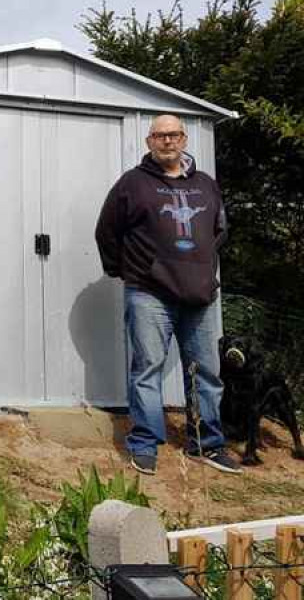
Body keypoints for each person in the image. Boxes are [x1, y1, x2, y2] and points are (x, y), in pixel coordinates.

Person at [95, 114, 240, 475]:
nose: (167, 141)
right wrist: (126, 270)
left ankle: (206, 444)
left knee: (206, 372)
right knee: (147, 370)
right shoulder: (132, 184)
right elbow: (106, 231)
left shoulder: (206, 185)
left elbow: (220, 229)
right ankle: (144, 444)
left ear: (184, 139)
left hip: (200, 296)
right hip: (150, 294)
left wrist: (201, 263)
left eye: (174, 135)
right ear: (149, 142)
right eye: (160, 136)